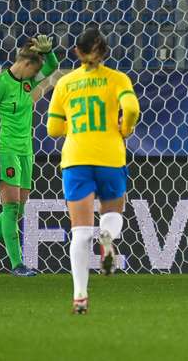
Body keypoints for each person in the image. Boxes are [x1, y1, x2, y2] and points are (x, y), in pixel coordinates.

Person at [47, 28, 140, 314]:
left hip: (76, 158)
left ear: (76, 51)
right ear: (106, 52)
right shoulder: (117, 79)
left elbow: (52, 129)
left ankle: (79, 296)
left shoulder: (66, 83)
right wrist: (125, 129)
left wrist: (72, 127)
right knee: (112, 214)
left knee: (80, 233)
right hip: (110, 155)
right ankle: (108, 238)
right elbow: (132, 108)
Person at [0, 35, 58, 277]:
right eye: (34, 72)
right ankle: (17, 265)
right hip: (4, 149)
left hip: (25, 151)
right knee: (10, 208)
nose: (36, 79)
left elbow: (52, 67)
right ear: (27, 65)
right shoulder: (1, 85)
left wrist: (48, 52)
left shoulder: (27, 82)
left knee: (18, 210)